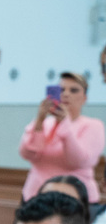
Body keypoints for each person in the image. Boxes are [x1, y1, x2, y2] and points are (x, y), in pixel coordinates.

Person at [19, 72, 104, 203]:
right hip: (35, 196)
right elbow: (27, 154)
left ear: (84, 98)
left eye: (74, 90)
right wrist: (39, 120)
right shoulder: (45, 124)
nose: (66, 94)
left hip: (74, 199)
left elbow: (78, 161)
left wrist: (65, 125)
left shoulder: (93, 125)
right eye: (61, 89)